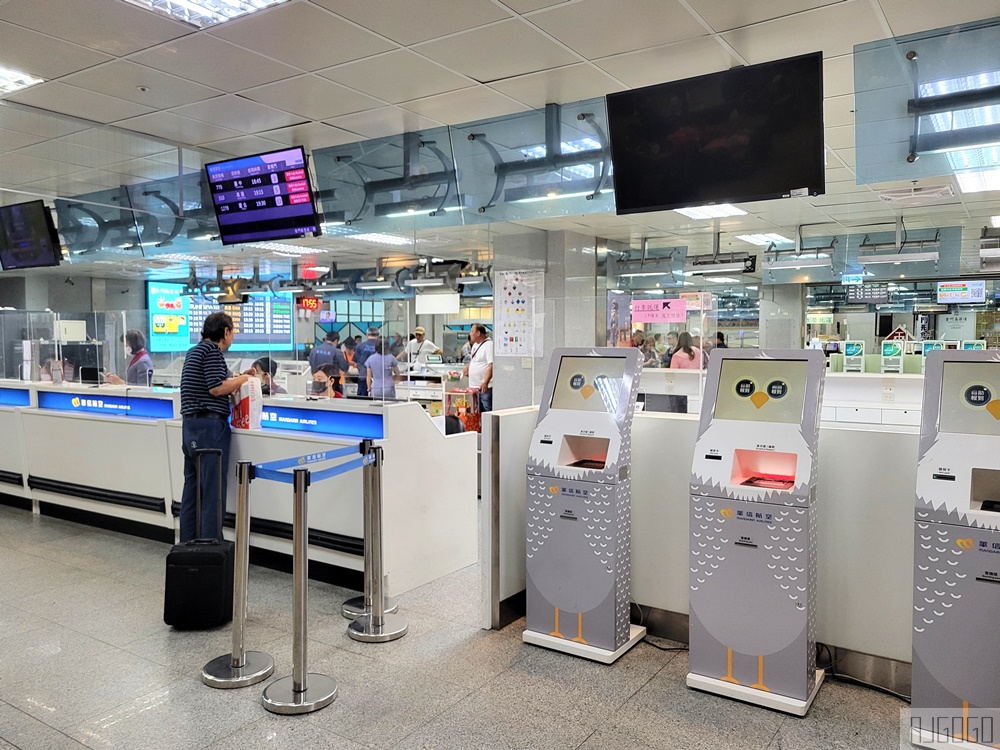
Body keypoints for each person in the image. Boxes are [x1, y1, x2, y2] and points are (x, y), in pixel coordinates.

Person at [179, 312, 253, 542]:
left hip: (190, 426)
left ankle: (188, 544)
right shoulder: (212, 351)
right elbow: (216, 388)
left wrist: (236, 378)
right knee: (212, 493)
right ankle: (210, 547)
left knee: (192, 491)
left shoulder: (194, 351)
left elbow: (216, 382)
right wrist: (245, 380)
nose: (233, 337)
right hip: (210, 428)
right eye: (233, 332)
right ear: (225, 332)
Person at [464, 322, 493, 412]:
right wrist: (468, 367)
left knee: (486, 410)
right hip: (474, 387)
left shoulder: (489, 345)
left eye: (472, 331)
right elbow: (475, 360)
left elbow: (491, 365)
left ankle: (487, 426)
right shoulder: (475, 345)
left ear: (478, 333)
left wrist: (485, 382)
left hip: (484, 388)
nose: (470, 334)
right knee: (476, 411)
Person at [353, 327, 380, 397]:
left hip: (363, 376)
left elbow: (355, 362)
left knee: (362, 400)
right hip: (378, 378)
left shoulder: (359, 346)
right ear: (378, 335)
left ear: (367, 335)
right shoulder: (381, 346)